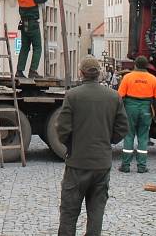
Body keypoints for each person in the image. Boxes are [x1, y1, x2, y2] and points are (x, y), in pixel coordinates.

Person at [56, 57, 129, 236]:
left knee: (69, 213)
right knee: (96, 213)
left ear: (81, 73)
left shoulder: (73, 96)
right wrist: (107, 141)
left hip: (77, 163)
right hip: (102, 163)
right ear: (99, 73)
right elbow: (122, 128)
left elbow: (62, 129)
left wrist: (72, 145)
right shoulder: (113, 96)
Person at [118, 56, 156, 173]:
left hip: (130, 108)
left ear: (135, 65)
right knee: (143, 137)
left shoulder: (128, 77)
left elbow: (120, 96)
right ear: (146, 66)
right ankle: (142, 167)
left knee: (129, 136)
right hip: (146, 109)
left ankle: (126, 166)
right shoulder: (152, 79)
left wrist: (117, 112)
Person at [16, 0, 48, 78]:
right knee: (37, 48)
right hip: (33, 25)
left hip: (24, 25)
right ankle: (33, 71)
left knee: (24, 48)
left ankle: (19, 71)